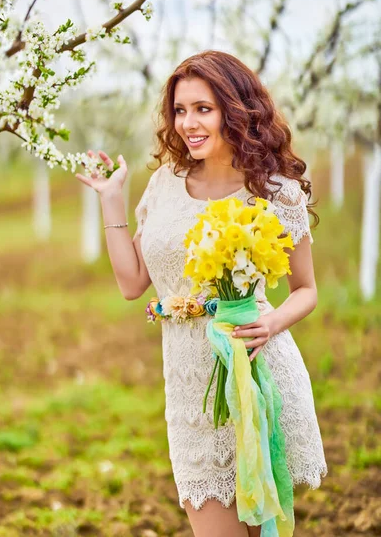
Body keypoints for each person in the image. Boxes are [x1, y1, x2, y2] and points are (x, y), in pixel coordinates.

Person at [75, 50, 327, 537]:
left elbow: (306, 290)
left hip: (259, 379)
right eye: (180, 109)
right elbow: (132, 284)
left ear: (235, 110)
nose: (188, 122)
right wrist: (111, 199)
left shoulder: (275, 191)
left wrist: (272, 322)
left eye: (202, 109)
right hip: (191, 394)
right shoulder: (165, 184)